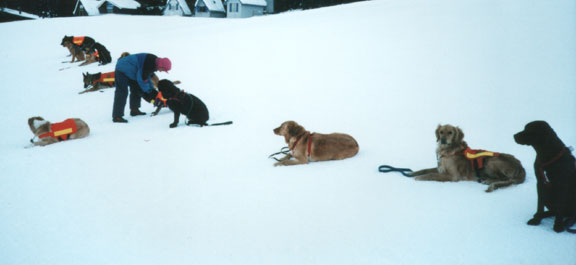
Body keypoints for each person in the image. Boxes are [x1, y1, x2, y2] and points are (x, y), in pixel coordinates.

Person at [112, 53, 171, 123]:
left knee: (136, 88)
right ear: (161, 65)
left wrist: (152, 91)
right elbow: (142, 79)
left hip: (132, 70)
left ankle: (134, 110)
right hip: (122, 69)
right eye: (163, 70)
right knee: (122, 92)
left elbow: (147, 77)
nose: (161, 71)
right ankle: (117, 116)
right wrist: (150, 92)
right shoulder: (150, 64)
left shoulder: (155, 62)